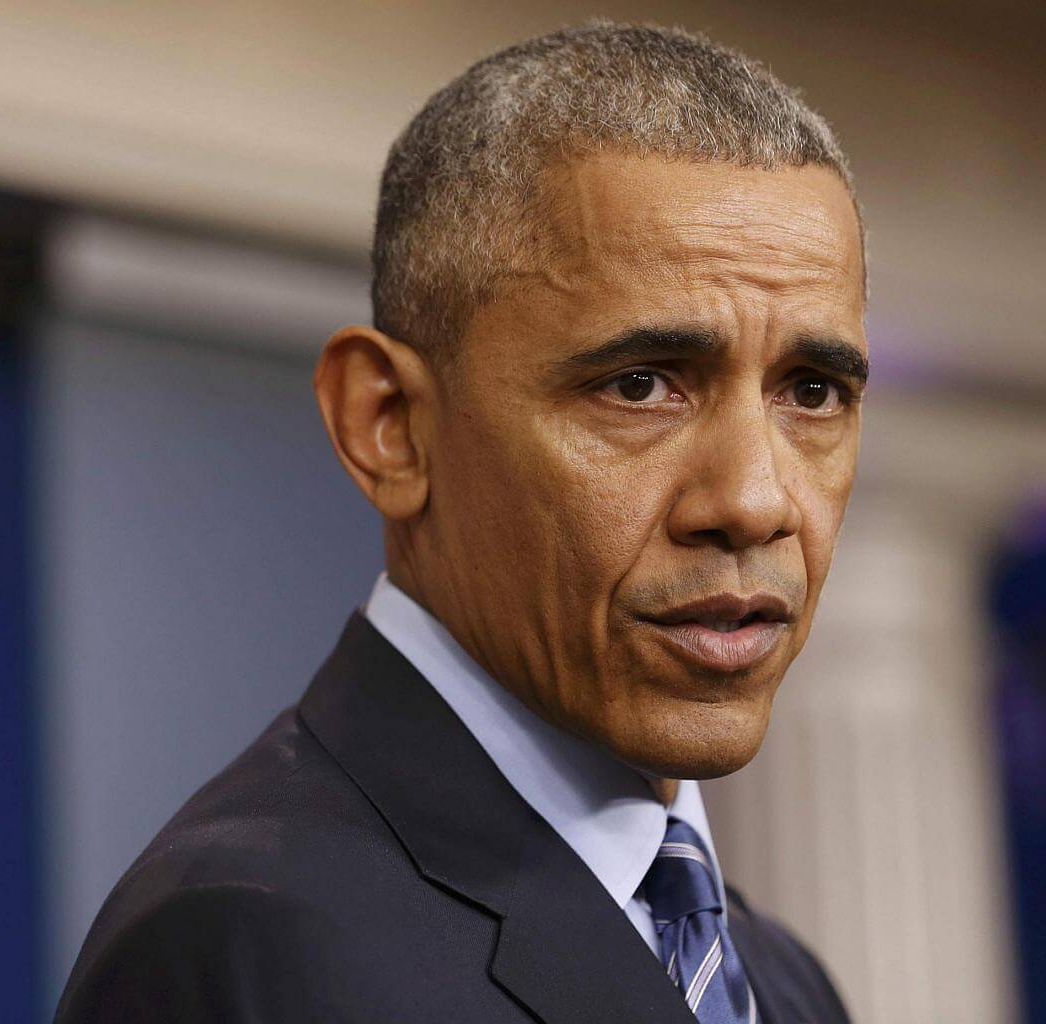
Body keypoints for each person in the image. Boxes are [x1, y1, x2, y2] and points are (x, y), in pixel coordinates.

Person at [56, 21, 866, 1024]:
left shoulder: (785, 985)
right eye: (640, 384)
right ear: (389, 425)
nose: (753, 500)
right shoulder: (246, 947)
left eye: (814, 392)